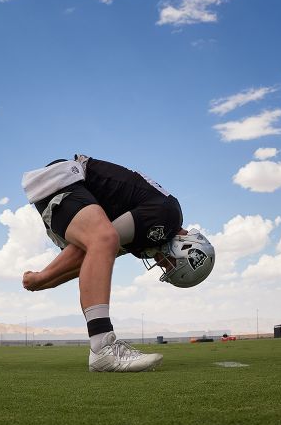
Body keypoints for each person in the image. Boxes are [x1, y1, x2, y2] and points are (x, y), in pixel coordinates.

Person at [20, 155, 215, 372]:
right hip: (65, 179)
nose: (162, 264)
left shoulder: (154, 227)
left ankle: (102, 346)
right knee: (104, 239)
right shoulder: (166, 219)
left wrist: (46, 280)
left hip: (72, 187)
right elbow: (99, 242)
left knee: (104, 243)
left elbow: (90, 257)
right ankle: (102, 347)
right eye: (170, 264)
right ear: (185, 249)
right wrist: (43, 278)